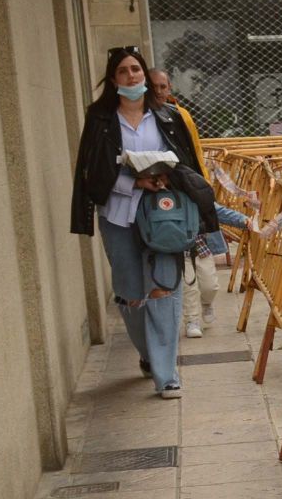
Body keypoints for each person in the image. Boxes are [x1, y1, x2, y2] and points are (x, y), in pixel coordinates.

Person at [69, 47, 216, 398]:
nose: (132, 76)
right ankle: (149, 355)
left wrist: (170, 180)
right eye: (124, 71)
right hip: (119, 215)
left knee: (164, 289)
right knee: (131, 295)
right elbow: (93, 174)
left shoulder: (168, 116)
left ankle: (167, 375)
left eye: (136, 69)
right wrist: (133, 182)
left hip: (164, 213)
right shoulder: (100, 119)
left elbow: (188, 164)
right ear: (113, 78)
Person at [150, 68, 223, 339]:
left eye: (163, 86)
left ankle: (205, 305)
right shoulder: (144, 118)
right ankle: (191, 319)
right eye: (153, 86)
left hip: (188, 198)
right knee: (184, 270)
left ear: (170, 87)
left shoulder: (180, 116)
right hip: (163, 204)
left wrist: (202, 192)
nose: (159, 91)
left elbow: (195, 154)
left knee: (209, 281)